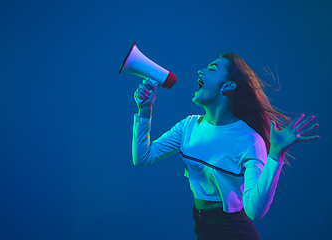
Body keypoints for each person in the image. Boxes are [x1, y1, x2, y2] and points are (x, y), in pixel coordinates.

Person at [132, 53, 320, 240]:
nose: (200, 70)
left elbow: (255, 212)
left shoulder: (250, 141)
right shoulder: (187, 127)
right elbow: (143, 157)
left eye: (212, 69)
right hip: (202, 227)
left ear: (228, 85)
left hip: (234, 231)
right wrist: (145, 110)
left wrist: (275, 155)